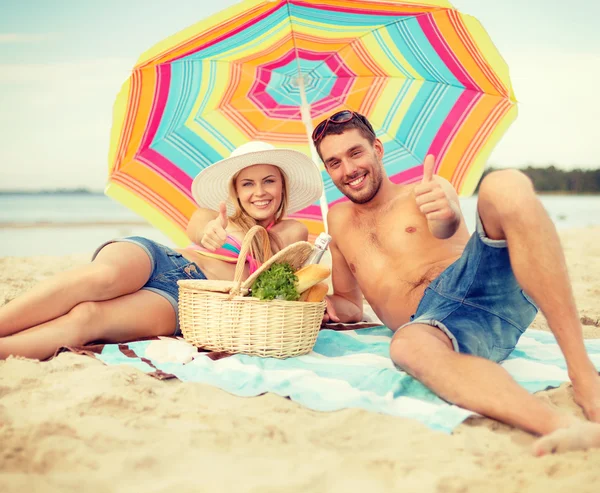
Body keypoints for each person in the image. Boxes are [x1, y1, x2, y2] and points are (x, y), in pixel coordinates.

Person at [313, 110, 600, 455]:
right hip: (441, 329)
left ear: (377, 149)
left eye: (355, 153)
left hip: (480, 282)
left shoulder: (426, 190)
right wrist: (325, 308)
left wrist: (445, 214)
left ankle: (584, 376)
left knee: (503, 184)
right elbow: (348, 302)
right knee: (405, 347)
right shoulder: (337, 220)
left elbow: (446, 225)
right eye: (334, 162)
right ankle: (562, 428)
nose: (348, 170)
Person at [0, 141, 323, 361]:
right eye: (248, 184)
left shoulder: (291, 231)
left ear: (283, 187)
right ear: (236, 191)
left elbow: (279, 268)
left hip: (186, 297)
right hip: (158, 257)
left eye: (269, 181)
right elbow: (198, 228)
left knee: (89, 316)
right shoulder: (214, 215)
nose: (260, 192)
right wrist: (211, 233)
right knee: (101, 277)